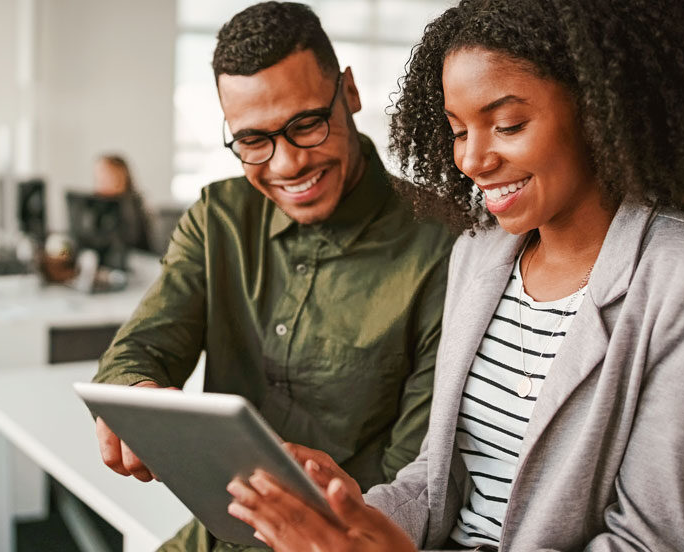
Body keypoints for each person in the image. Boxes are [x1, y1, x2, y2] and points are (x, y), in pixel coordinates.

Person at [225, 0, 684, 550]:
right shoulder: (479, 254)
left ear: (600, 110)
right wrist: (352, 514)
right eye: (459, 130)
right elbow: (440, 482)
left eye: (507, 125)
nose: (472, 159)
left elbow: (655, 542)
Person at [91, 3, 453, 551]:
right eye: (253, 141)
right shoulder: (218, 217)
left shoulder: (445, 246)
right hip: (218, 533)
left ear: (349, 93)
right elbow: (134, 353)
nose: (286, 165)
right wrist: (134, 397)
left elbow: (416, 483)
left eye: (307, 124)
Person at [93, 153, 152, 252]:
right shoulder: (100, 205)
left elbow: (125, 245)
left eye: (104, 177)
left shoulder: (132, 205)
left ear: (120, 177)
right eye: (97, 179)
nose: (99, 184)